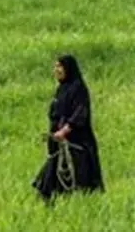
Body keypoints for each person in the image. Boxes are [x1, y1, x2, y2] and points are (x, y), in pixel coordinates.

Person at [32, 54, 105, 203]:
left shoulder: (78, 88)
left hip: (76, 144)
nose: (56, 70)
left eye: (60, 66)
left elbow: (80, 113)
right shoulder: (62, 89)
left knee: (77, 182)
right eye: (55, 67)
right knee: (50, 181)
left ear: (68, 69)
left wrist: (65, 130)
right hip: (58, 144)